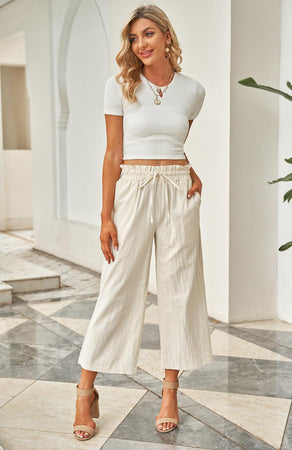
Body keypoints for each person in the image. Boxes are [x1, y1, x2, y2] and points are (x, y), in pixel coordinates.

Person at [73, 3, 213, 441]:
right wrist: (104, 216)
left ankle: (170, 391)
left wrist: (188, 168)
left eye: (149, 34)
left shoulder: (193, 91)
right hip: (131, 190)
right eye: (134, 38)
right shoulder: (119, 86)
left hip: (177, 192)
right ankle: (85, 391)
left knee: (179, 289)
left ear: (167, 36)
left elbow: (173, 141)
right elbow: (114, 153)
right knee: (117, 288)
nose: (141, 44)